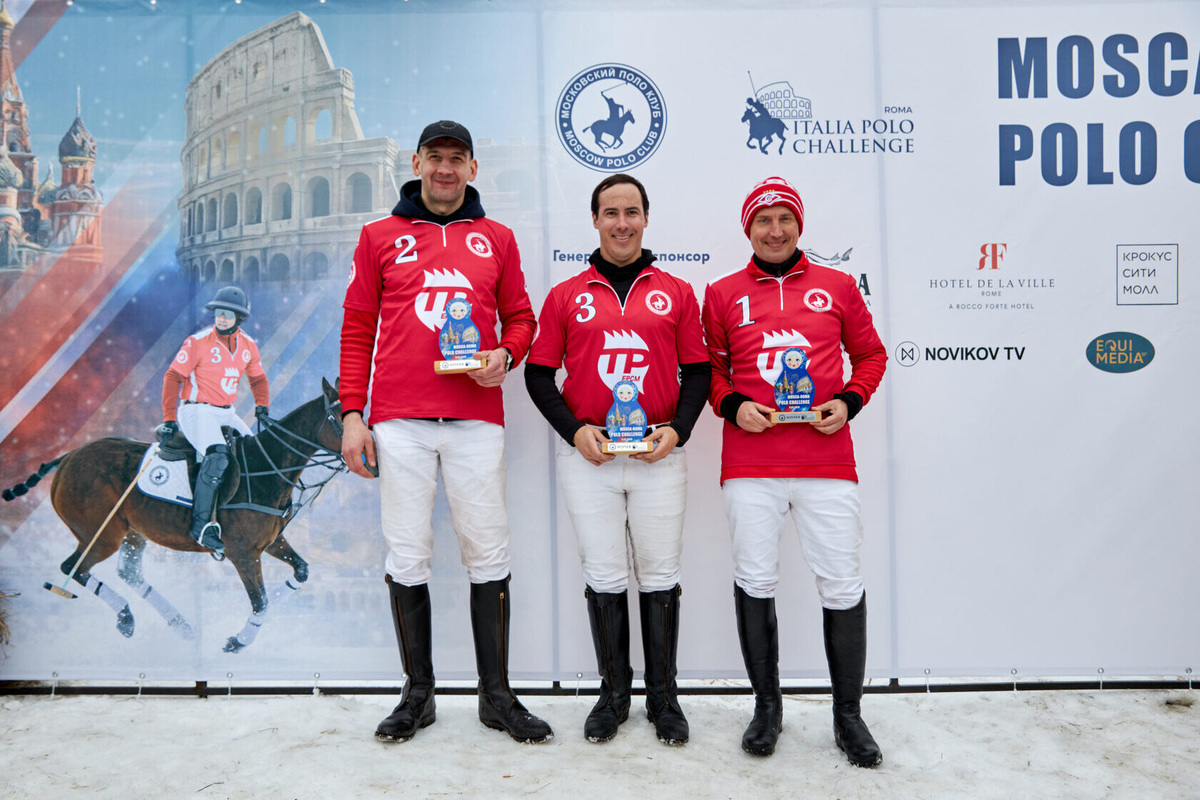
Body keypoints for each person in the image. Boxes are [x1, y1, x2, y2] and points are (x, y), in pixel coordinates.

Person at [340, 120, 552, 745]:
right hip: (399, 420)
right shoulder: (380, 235)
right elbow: (358, 328)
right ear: (416, 162)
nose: (445, 170)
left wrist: (506, 356)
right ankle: (418, 695)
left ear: (472, 169)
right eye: (435, 158)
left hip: (475, 420)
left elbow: (521, 318)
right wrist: (353, 414)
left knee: (488, 551)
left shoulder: (498, 239)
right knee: (407, 554)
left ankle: (497, 696)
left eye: (457, 159)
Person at [701, 177, 887, 766]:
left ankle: (848, 715)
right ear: (748, 229)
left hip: (827, 461)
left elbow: (873, 355)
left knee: (841, 581)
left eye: (785, 219)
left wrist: (849, 402)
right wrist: (733, 406)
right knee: (755, 579)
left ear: (799, 225)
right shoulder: (723, 293)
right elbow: (708, 371)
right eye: (764, 221)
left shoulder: (835, 286)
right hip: (751, 463)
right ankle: (767, 708)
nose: (775, 230)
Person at [524, 174, 711, 746]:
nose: (622, 222)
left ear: (646, 218)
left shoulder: (676, 292)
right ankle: (613, 696)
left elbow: (700, 371)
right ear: (596, 220)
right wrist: (574, 430)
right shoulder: (565, 294)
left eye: (632, 211)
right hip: (590, 458)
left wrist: (678, 431)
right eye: (611, 212)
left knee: (661, 574)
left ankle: (664, 699)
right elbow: (537, 373)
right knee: (603, 574)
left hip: (658, 453)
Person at [160, 285, 268, 559]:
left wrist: (262, 405)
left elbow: (257, 379)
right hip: (196, 411)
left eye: (227, 315)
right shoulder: (198, 342)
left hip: (226, 412)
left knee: (256, 453)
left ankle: (244, 517)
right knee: (218, 457)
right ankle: (201, 527)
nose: (221, 318)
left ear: (239, 319)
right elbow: (173, 377)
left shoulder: (248, 346)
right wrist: (169, 418)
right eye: (218, 313)